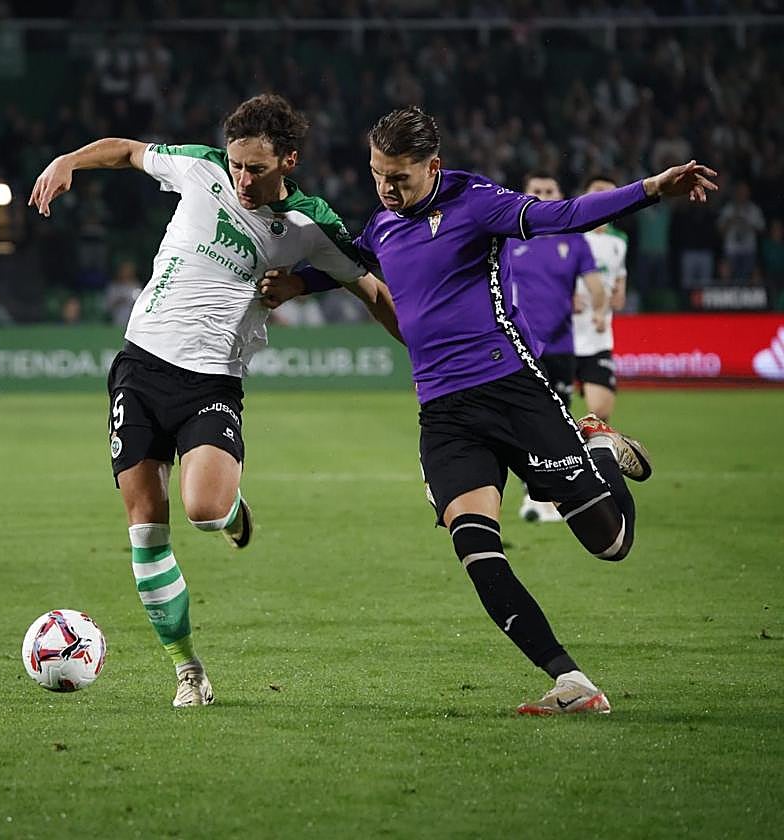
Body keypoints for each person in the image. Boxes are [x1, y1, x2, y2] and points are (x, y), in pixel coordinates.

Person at [262, 106, 717, 715]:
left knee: (611, 544)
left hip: (512, 391)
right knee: (477, 549)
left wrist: (653, 188)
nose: (386, 188)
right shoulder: (384, 224)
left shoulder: (475, 202)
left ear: (433, 167)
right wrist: (299, 283)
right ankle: (571, 681)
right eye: (377, 174)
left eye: (399, 177)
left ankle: (600, 447)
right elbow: (357, 261)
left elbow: (564, 216)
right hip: (443, 413)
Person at [28, 93, 396, 708]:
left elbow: (371, 287)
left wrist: (305, 287)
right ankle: (188, 668)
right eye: (237, 165)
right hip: (140, 367)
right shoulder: (201, 167)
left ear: (289, 161)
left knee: (203, 510)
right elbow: (127, 151)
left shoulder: (310, 224)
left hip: (211, 382)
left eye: (257, 168)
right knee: (146, 529)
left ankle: (232, 514)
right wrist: (69, 160)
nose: (243, 180)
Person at [504, 173, 604, 523]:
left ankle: (558, 495)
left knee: (558, 424)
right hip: (521, 343)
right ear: (524, 194)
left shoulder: (574, 240)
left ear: (560, 194)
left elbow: (595, 285)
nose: (543, 196)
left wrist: (600, 310)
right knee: (523, 421)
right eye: (536, 191)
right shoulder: (508, 237)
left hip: (561, 345)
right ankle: (534, 495)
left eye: (549, 190)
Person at [575, 176, 629, 422]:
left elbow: (618, 278)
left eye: (610, 193)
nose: (604, 197)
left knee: (601, 414)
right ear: (585, 195)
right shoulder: (570, 233)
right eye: (598, 190)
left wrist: (619, 292)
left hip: (598, 334)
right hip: (563, 334)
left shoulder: (619, 241)